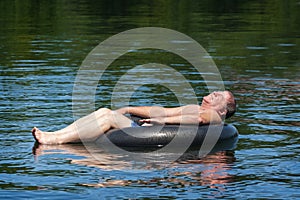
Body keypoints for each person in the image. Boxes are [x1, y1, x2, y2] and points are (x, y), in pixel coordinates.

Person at [32, 91, 236, 144]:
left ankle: (56, 140)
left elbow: (198, 121)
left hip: (155, 135)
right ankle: (55, 135)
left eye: (218, 96)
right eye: (214, 92)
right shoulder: (192, 107)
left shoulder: (215, 117)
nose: (211, 95)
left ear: (224, 109)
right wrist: (129, 108)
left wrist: (165, 122)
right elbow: (161, 111)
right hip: (147, 129)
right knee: (105, 112)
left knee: (106, 119)